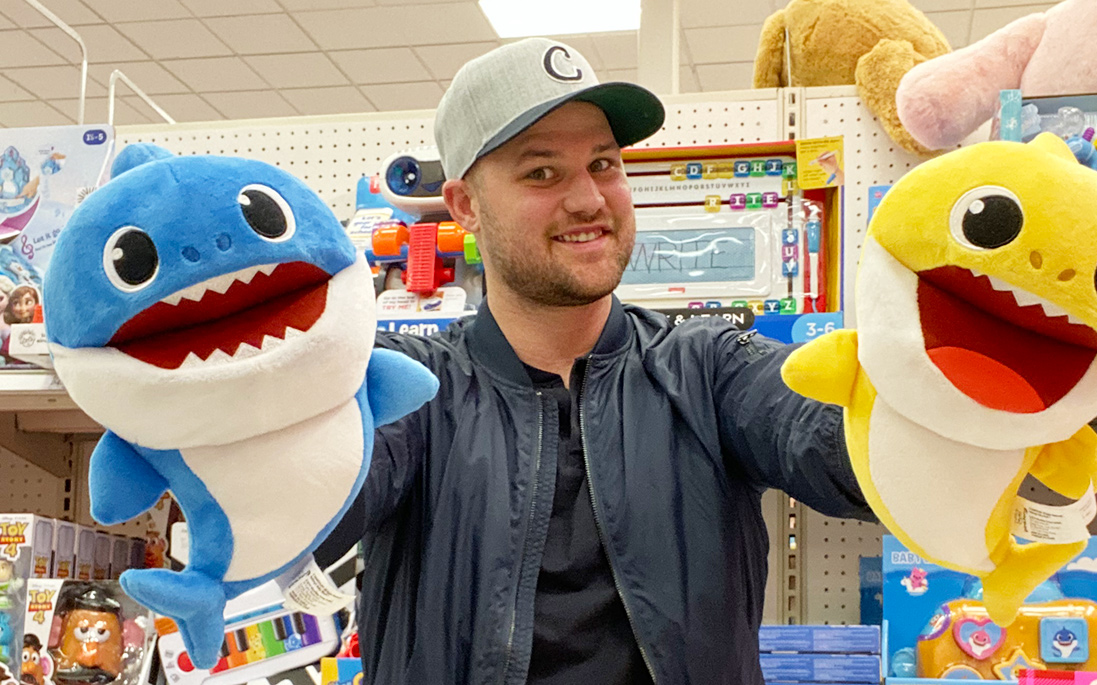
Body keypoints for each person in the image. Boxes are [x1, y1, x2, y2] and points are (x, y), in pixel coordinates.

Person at [316, 38, 871, 685]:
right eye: (543, 172)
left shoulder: (705, 369)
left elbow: (841, 440)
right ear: (466, 205)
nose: (589, 199)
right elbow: (303, 498)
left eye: (603, 163)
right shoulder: (413, 390)